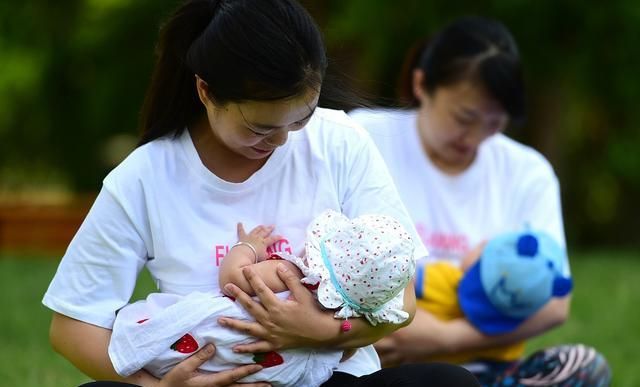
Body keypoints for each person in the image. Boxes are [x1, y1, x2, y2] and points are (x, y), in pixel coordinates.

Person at [42, 1, 480, 386]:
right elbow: (72, 328)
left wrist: (320, 331)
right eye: (261, 128)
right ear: (206, 92)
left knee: (447, 381)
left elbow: (400, 302)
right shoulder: (144, 175)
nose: (284, 141)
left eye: (301, 119)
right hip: (210, 375)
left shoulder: (342, 142)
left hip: (327, 378)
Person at [349, 15, 611, 386]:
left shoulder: (527, 172)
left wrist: (446, 338)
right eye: (464, 117)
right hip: (380, 362)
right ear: (422, 84)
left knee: (583, 366)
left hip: (485, 366)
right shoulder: (362, 137)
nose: (473, 137)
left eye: (493, 123)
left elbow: (555, 303)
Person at [108, 210, 416, 386]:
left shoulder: (289, 273)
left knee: (181, 333)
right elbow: (343, 354)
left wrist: (249, 247)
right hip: (271, 374)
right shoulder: (349, 319)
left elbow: (232, 280)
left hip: (214, 343)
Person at [416, 229, 572, 365]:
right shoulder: (508, 346)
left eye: (482, 246)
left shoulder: (444, 279)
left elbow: (405, 277)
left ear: (478, 260)